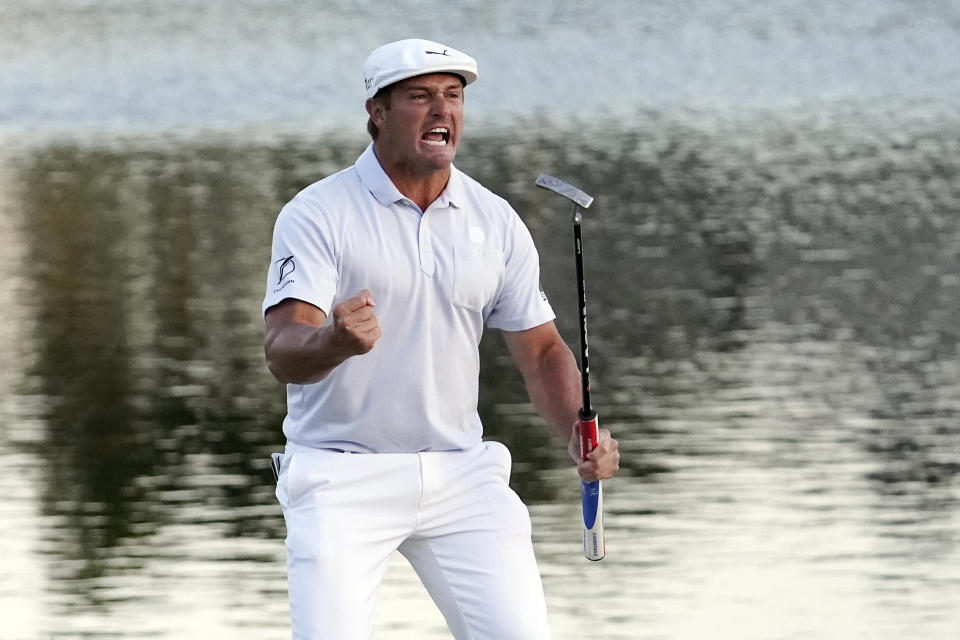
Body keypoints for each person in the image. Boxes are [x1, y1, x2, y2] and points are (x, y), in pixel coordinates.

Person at [262, 38, 620, 640]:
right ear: (377, 110)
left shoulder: (496, 219)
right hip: (342, 476)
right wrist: (335, 342)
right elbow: (282, 352)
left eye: (453, 97)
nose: (442, 112)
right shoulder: (317, 213)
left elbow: (539, 352)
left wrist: (579, 437)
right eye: (420, 96)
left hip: (462, 474)